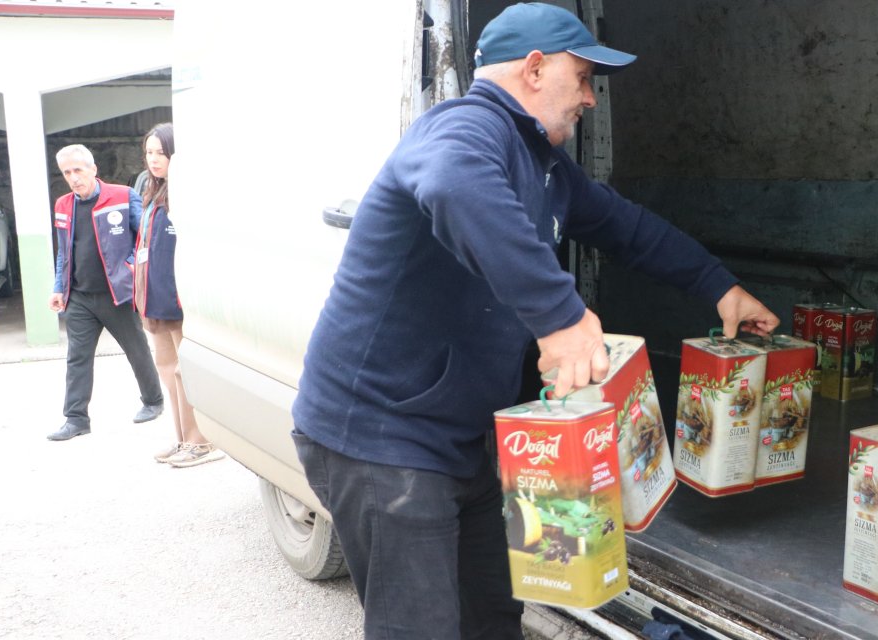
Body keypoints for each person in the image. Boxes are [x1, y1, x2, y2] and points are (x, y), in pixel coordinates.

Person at [290, 3, 780, 638]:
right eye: (581, 79)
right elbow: (450, 184)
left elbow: (629, 228)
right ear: (534, 69)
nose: (590, 99)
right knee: (422, 628)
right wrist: (561, 315)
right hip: (382, 441)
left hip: (462, 440)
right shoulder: (464, 129)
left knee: (493, 616)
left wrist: (720, 288)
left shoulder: (548, 166)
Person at [47, 144, 164, 441]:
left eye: (78, 170)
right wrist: (59, 287)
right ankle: (76, 419)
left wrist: (129, 269)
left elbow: (145, 240)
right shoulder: (63, 205)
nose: (73, 178)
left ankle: (153, 401)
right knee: (77, 358)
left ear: (93, 169)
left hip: (117, 294)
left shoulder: (123, 197)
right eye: (67, 173)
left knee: (136, 349)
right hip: (80, 297)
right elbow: (64, 251)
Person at [135, 123, 224, 468]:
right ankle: (182, 438)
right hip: (155, 296)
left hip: (178, 297)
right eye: (150, 152)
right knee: (166, 366)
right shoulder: (152, 191)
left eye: (161, 152)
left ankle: (201, 441)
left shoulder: (187, 193)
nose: (154, 159)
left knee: (184, 370)